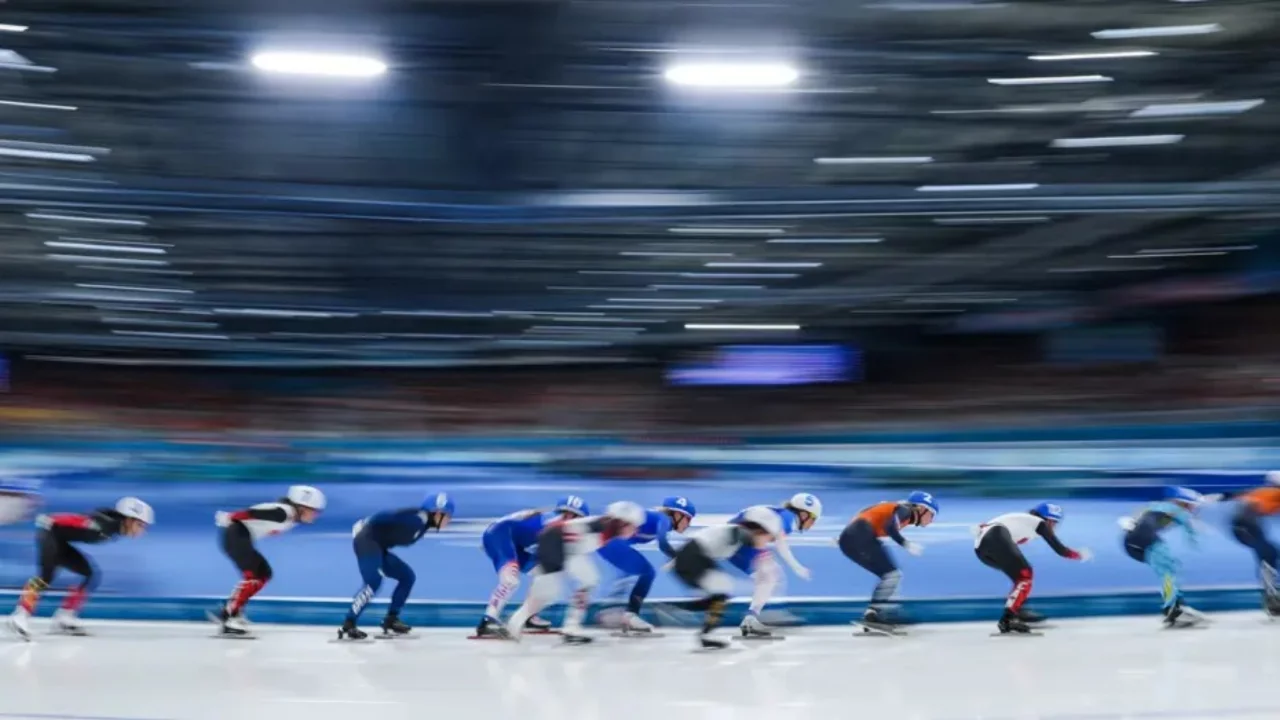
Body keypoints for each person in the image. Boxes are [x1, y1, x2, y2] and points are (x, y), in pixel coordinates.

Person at [7, 497, 154, 640]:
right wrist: (48, 520)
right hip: (49, 533)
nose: (141, 531)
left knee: (89, 575)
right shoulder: (100, 525)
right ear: (129, 520)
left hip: (60, 541)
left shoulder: (112, 528)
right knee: (45, 577)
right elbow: (65, 520)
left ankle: (64, 618)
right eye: (140, 525)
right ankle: (21, 614)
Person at [505, 501, 646, 644]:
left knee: (590, 580)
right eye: (633, 526)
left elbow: (572, 538)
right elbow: (558, 532)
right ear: (621, 523)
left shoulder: (606, 528)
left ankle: (571, 628)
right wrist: (556, 564)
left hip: (569, 550)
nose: (635, 532)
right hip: (556, 546)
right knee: (547, 594)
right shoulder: (599, 526)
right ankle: (514, 624)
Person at [210, 485, 325, 637]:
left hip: (238, 536)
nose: (315, 515)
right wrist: (231, 516)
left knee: (263, 573)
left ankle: (230, 612)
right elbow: (253, 513)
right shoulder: (284, 512)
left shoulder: (287, 515)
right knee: (256, 574)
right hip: (236, 535)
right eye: (313, 510)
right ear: (301, 506)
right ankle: (229, 616)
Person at [338, 492, 455, 640]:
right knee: (373, 582)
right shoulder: (417, 519)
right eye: (448, 516)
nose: (449, 520)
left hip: (378, 547)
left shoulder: (422, 524)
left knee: (407, 576)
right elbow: (389, 515)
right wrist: (365, 523)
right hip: (367, 542)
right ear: (437, 513)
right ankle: (349, 624)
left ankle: (391, 620)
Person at [473, 495, 589, 638]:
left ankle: (529, 615)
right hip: (498, 536)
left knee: (545, 577)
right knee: (510, 581)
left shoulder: (555, 522)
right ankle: (488, 620)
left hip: (513, 542)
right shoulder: (553, 522)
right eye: (575, 518)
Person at [671, 506, 781, 649]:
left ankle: (681, 613)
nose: (768, 542)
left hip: (694, 557)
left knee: (721, 594)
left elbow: (744, 556)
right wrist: (762, 556)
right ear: (760, 529)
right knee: (722, 590)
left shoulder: (737, 535)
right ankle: (683, 614)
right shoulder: (739, 532)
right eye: (769, 537)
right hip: (693, 557)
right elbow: (745, 538)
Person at [974, 502, 1091, 635]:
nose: (1053, 527)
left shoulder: (1024, 523)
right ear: (1047, 519)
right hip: (995, 536)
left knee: (1019, 577)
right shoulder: (1039, 523)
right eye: (1053, 522)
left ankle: (1017, 611)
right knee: (1025, 575)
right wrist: (1079, 554)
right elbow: (1060, 549)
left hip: (981, 550)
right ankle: (1008, 619)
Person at [840, 491, 937, 631]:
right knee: (893, 575)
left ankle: (875, 614)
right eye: (931, 514)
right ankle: (881, 613)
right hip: (861, 535)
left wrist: (845, 537)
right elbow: (889, 527)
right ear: (921, 508)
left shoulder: (897, 508)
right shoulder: (905, 510)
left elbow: (865, 513)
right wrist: (906, 543)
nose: (931, 520)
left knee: (889, 576)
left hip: (849, 539)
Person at [597, 496, 696, 634]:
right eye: (688, 518)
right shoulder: (664, 519)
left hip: (604, 544)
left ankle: (614, 608)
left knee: (634, 572)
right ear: (677, 514)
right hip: (612, 543)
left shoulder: (655, 517)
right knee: (647, 573)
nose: (688, 524)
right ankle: (629, 614)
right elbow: (662, 542)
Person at [728, 493, 820, 638]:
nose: (812, 524)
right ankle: (762, 614)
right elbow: (781, 545)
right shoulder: (789, 517)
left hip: (733, 541)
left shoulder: (780, 514)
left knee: (769, 576)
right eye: (813, 519)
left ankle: (753, 617)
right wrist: (797, 567)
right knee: (771, 574)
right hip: (742, 539)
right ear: (803, 514)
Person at [1120, 486, 1206, 628]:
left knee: (1168, 571)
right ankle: (1173, 610)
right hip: (1147, 538)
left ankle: (1176, 607)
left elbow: (1135, 516)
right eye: (1192, 506)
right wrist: (1195, 536)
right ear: (1182, 502)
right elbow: (1187, 522)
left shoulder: (1155, 506)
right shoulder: (1175, 508)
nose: (1193, 509)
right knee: (1169, 572)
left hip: (1130, 543)